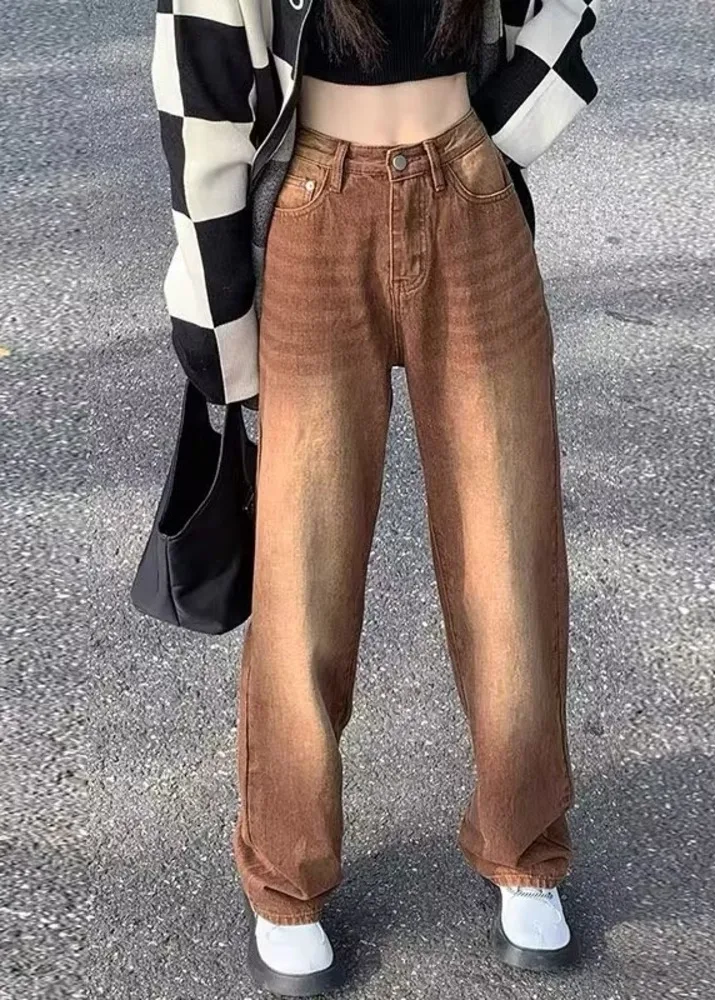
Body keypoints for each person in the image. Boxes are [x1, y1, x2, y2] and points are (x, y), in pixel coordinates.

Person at [151, 0, 600, 994]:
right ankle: (286, 876)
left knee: (510, 550)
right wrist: (220, 327)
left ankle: (524, 844)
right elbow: (203, 92)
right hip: (316, 211)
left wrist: (498, 135)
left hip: (470, 190)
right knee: (304, 571)